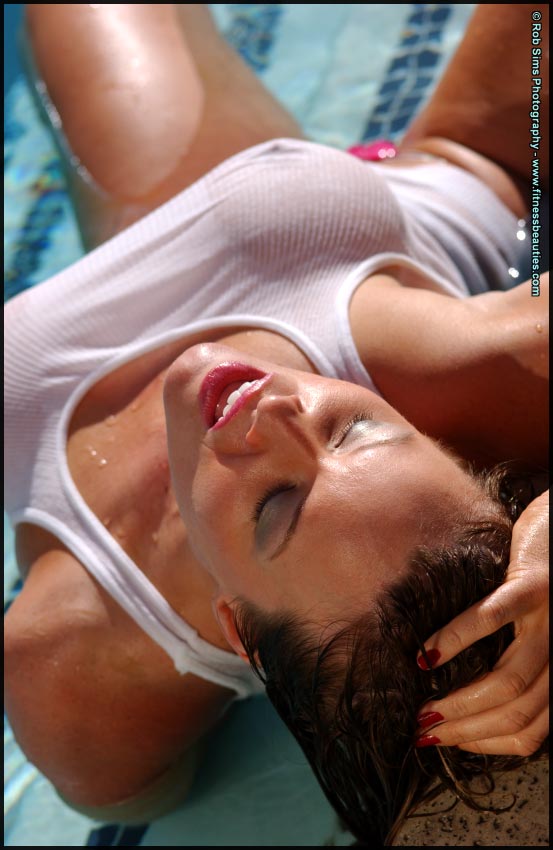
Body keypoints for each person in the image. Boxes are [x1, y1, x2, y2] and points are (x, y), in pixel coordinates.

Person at [4, 2, 549, 842]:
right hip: (471, 162)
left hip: (195, 213)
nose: (278, 410)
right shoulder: (472, 368)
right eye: (356, 431)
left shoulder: (75, 656)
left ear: (237, 631)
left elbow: (128, 798)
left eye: (275, 507)